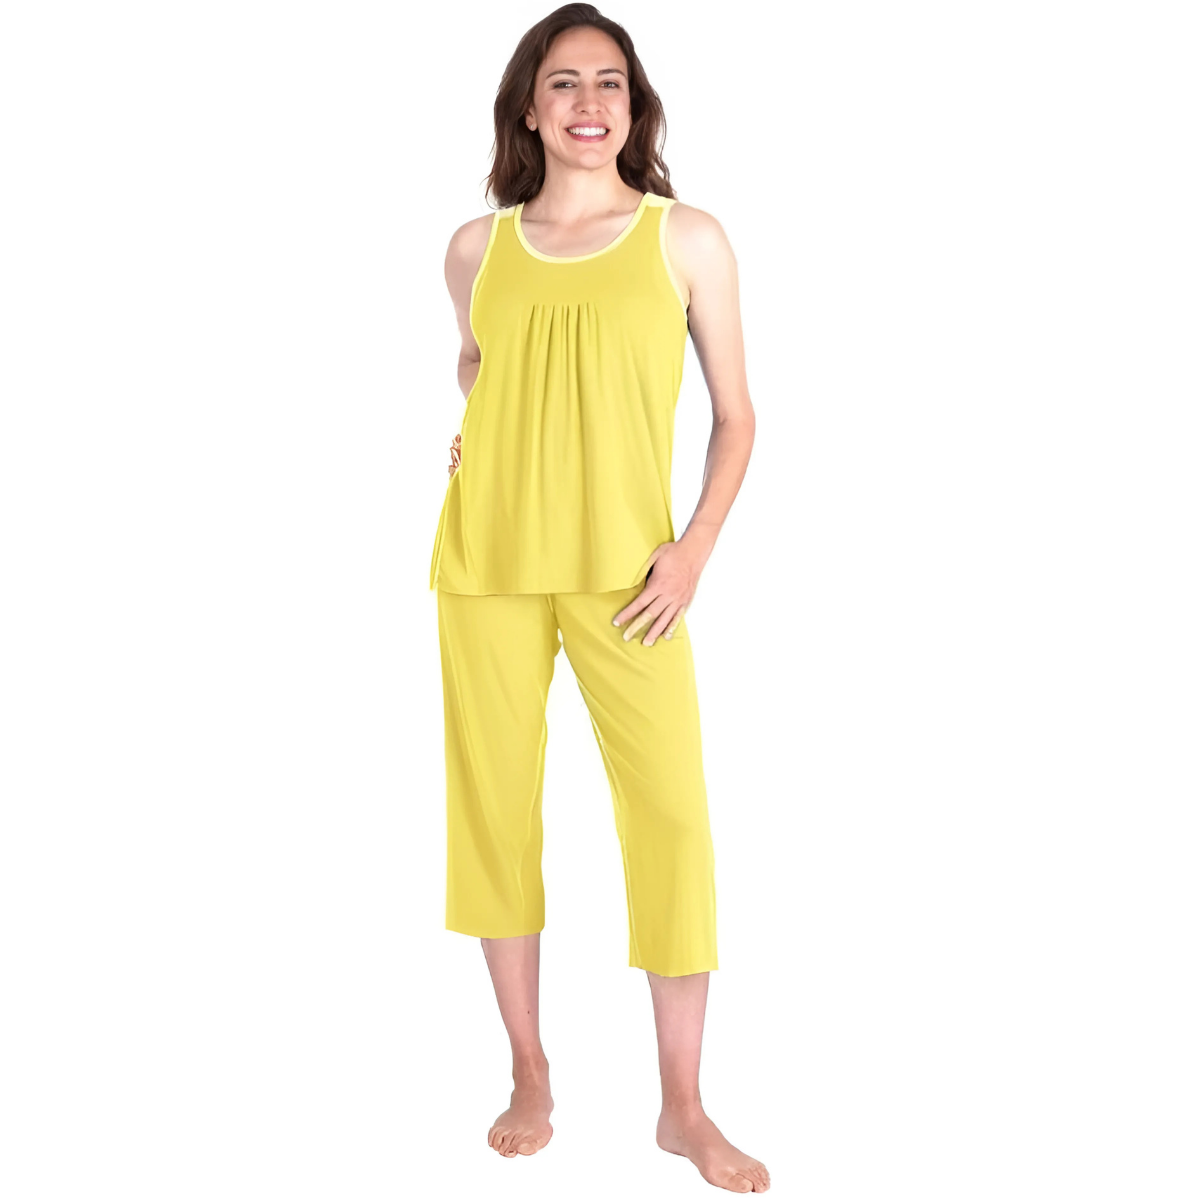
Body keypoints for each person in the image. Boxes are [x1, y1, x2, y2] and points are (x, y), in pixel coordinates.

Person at [429, 5, 766, 1193]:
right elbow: (479, 365)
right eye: (563, 82)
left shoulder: (687, 238)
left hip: (635, 579)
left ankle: (684, 1104)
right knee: (493, 816)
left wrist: (694, 552)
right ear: (529, 108)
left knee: (670, 819)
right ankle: (529, 1070)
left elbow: (738, 417)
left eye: (609, 82)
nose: (587, 103)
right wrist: (481, 440)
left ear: (634, 105)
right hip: (486, 566)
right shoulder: (475, 246)